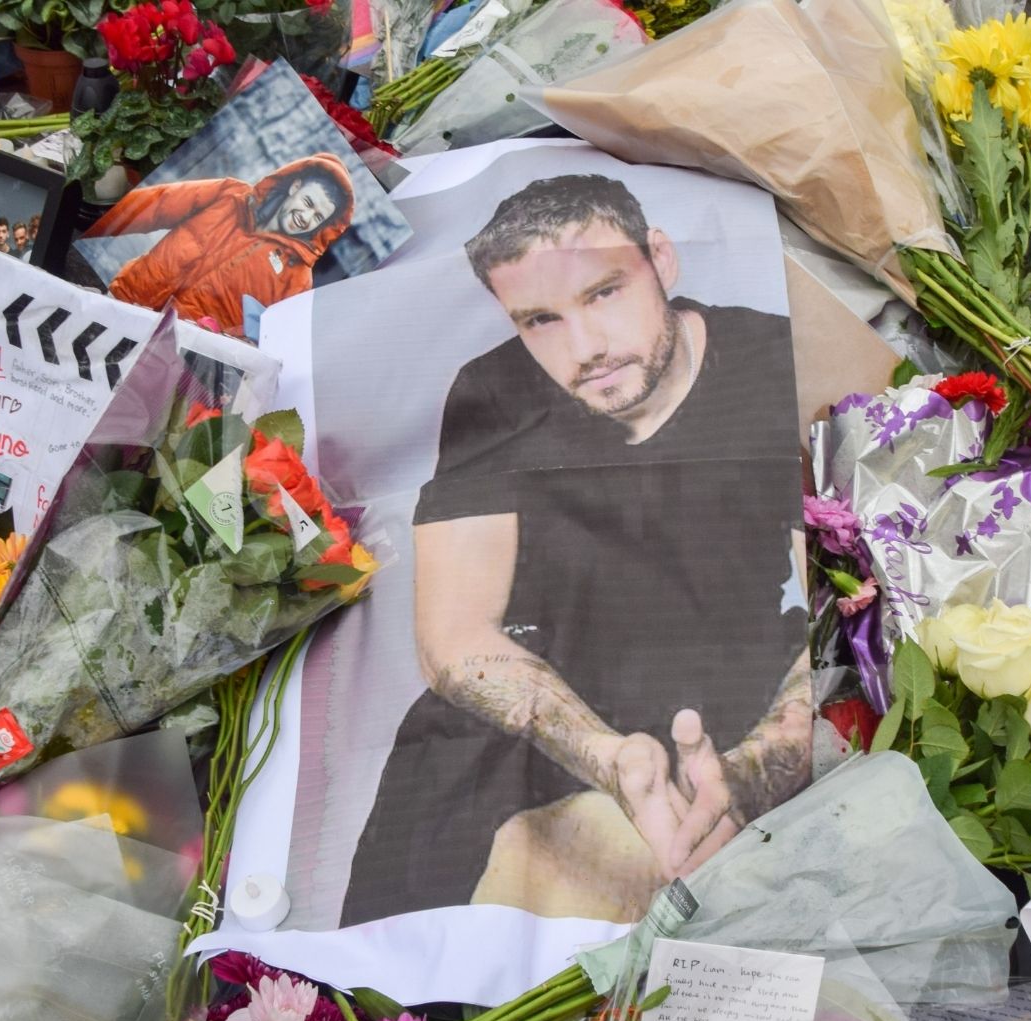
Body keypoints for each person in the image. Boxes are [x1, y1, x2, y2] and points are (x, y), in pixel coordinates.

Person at [343, 174, 810, 924]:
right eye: (541, 320)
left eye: (604, 294)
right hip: (534, 709)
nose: (586, 349)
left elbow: (847, 598)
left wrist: (762, 763)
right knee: (399, 974)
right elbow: (453, 636)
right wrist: (605, 756)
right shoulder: (493, 391)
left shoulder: (777, 357)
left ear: (661, 260)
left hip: (731, 705)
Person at [86, 153, 356, 330]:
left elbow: (272, 338)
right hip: (124, 300)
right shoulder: (231, 195)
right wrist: (86, 229)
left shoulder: (298, 278)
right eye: (308, 202)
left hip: (173, 353)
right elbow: (156, 205)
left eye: (318, 217)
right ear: (295, 187)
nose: (306, 218)